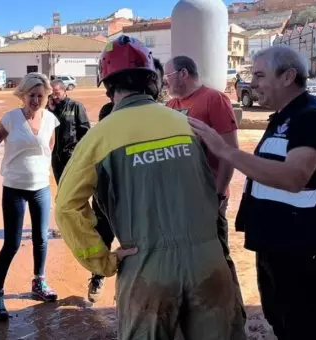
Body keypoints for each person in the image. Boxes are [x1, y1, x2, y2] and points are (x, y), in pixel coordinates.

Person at [55, 35, 246, 340]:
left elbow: (66, 207)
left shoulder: (99, 137)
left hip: (146, 267)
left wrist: (101, 261)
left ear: (108, 86)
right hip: (209, 260)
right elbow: (211, 177)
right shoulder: (187, 123)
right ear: (152, 81)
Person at [189, 45, 316, 340]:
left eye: (260, 75)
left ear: (288, 76)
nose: (252, 83)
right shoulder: (285, 117)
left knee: (305, 327)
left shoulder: (312, 118)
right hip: (280, 243)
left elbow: (293, 177)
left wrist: (224, 150)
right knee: (284, 321)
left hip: (303, 247)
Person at [0, 72, 60, 321]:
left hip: (41, 188)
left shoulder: (51, 120)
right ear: (22, 95)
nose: (35, 100)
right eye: (31, 95)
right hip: (14, 188)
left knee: (41, 238)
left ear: (46, 97)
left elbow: (48, 152)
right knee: (11, 243)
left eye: (40, 96)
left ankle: (39, 282)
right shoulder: (10, 119)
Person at [164, 56, 245, 319]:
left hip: (209, 196)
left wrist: (219, 193)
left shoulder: (213, 99)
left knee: (218, 257)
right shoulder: (171, 106)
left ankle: (232, 315)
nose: (165, 82)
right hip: (180, 200)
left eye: (168, 76)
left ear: (183, 73)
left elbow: (230, 151)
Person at [86, 57, 166, 303]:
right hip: (111, 189)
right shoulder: (108, 113)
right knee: (103, 232)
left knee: (138, 245)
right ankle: (98, 275)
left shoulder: (163, 114)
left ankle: (132, 293)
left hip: (143, 192)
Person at [47, 79, 90, 182]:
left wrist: (79, 153)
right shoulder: (49, 109)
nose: (54, 97)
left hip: (72, 156)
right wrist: (50, 110)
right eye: (52, 94)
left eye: (57, 93)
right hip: (56, 157)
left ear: (64, 91)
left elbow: (85, 131)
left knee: (75, 188)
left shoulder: (76, 106)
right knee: (61, 188)